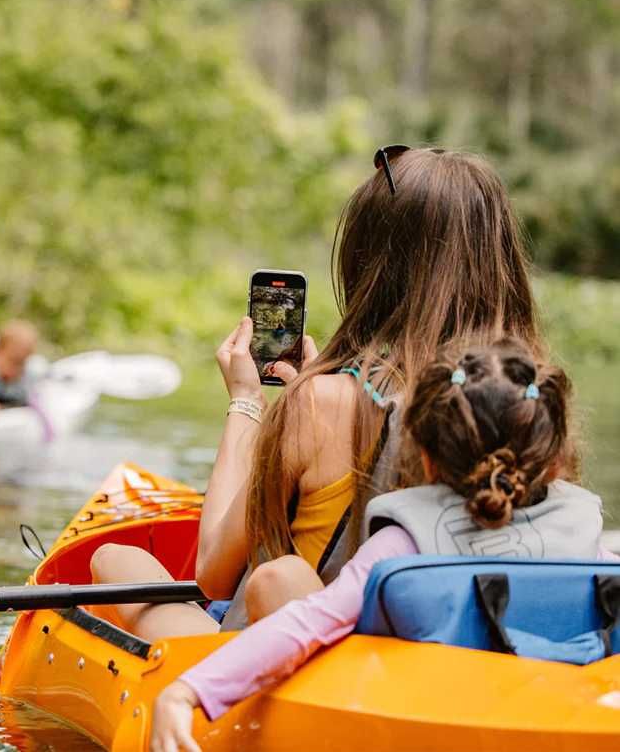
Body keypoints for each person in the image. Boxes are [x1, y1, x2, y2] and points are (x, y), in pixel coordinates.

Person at [90, 145, 544, 641]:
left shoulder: (323, 403)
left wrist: (247, 403)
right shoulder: (529, 402)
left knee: (116, 559)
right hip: (439, 651)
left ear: (372, 267)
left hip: (310, 662)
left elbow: (213, 571)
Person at [151, 339, 616, 751]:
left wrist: (187, 691)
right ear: (556, 463)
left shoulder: (403, 542)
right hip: (540, 713)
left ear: (427, 461)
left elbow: (304, 625)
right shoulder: (584, 537)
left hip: (410, 722)